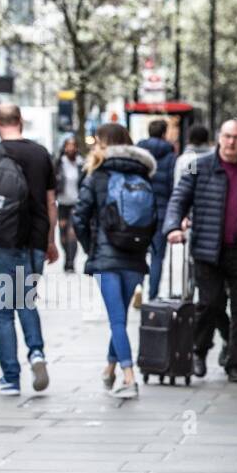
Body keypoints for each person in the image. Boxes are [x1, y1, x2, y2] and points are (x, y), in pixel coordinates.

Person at [165, 119, 237, 383]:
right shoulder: (199, 165)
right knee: (209, 304)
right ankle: (198, 352)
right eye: (227, 136)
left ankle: (236, 363)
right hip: (208, 249)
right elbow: (179, 198)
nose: (231, 142)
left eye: (236, 137)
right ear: (219, 138)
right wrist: (172, 226)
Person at [0, 103, 58, 396]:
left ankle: (11, 377)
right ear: (21, 121)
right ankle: (37, 353)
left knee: (4, 310)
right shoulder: (41, 154)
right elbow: (51, 202)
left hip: (4, 240)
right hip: (35, 240)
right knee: (26, 301)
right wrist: (51, 241)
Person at [73, 123, 156, 399]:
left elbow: (79, 217)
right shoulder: (143, 173)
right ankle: (110, 369)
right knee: (118, 316)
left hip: (107, 259)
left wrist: (90, 247)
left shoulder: (98, 175)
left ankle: (129, 377)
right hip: (135, 257)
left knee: (116, 320)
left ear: (103, 143)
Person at [137, 119, 177, 301]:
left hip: (139, 211)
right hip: (161, 212)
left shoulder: (138, 153)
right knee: (157, 256)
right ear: (164, 133)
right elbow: (171, 185)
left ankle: (138, 288)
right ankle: (152, 295)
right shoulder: (170, 156)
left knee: (138, 253)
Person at [53, 135, 83, 273]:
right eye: (68, 145)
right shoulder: (59, 163)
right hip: (63, 203)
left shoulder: (81, 163)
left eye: (73, 145)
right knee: (63, 235)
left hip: (76, 203)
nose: (70, 148)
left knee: (72, 234)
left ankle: (71, 263)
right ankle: (67, 257)